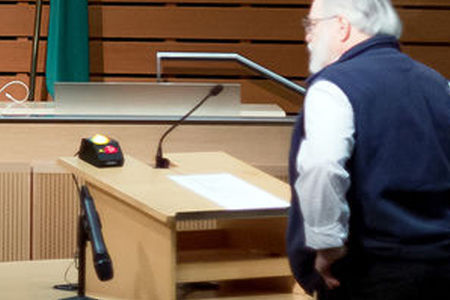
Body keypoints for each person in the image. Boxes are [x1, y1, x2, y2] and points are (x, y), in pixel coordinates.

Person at [286, 0, 450, 299]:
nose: (307, 37)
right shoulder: (439, 84)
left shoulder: (333, 86)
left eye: (311, 25)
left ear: (342, 26)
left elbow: (322, 168)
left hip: (370, 272)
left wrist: (326, 246)